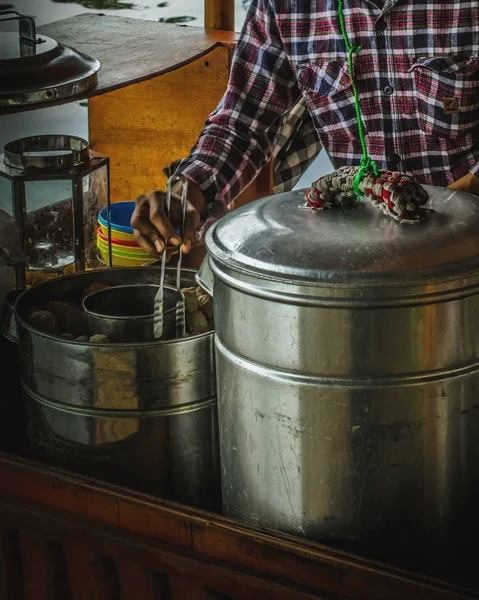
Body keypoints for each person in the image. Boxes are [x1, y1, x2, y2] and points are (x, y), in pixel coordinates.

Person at [131, 0, 479, 257]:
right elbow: (242, 123)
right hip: (365, 256)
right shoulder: (284, 7)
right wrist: (192, 185)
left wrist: (452, 211)